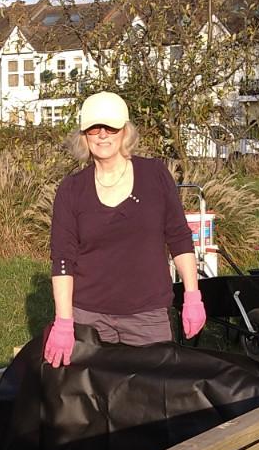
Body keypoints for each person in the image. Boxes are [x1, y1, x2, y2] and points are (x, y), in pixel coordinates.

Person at [44, 91, 205, 367]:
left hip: (148, 315)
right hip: (89, 316)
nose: (103, 135)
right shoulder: (71, 189)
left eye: (111, 127)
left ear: (125, 131)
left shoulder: (155, 175)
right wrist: (63, 321)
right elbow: (62, 260)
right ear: (84, 134)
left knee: (153, 396)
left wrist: (192, 295)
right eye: (95, 128)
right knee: (94, 401)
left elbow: (179, 238)